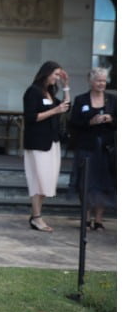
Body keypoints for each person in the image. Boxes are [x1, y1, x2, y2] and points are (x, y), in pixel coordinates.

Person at [21, 61, 70, 232]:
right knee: (38, 179)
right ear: (46, 73)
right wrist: (54, 111)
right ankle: (36, 217)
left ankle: (37, 214)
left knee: (47, 180)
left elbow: (65, 107)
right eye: (56, 75)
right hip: (38, 143)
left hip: (52, 142)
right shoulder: (33, 92)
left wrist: (66, 87)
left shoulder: (49, 93)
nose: (57, 78)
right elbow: (31, 117)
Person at [67, 67, 115, 231]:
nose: (101, 83)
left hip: (105, 149)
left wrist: (111, 119)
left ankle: (99, 219)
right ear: (90, 81)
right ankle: (86, 218)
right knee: (85, 182)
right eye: (98, 80)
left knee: (103, 183)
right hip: (86, 146)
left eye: (103, 80)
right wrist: (90, 122)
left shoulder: (112, 99)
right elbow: (73, 123)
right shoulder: (81, 100)